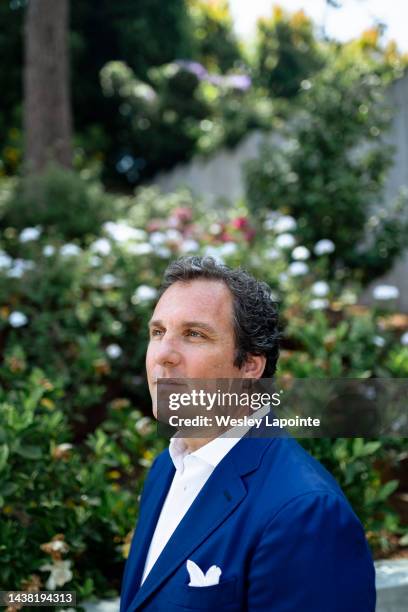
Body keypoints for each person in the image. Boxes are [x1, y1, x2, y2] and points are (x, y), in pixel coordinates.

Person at [120, 256, 376, 611]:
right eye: (158, 332)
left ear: (250, 365)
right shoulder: (166, 468)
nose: (163, 354)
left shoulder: (307, 511)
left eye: (194, 334)